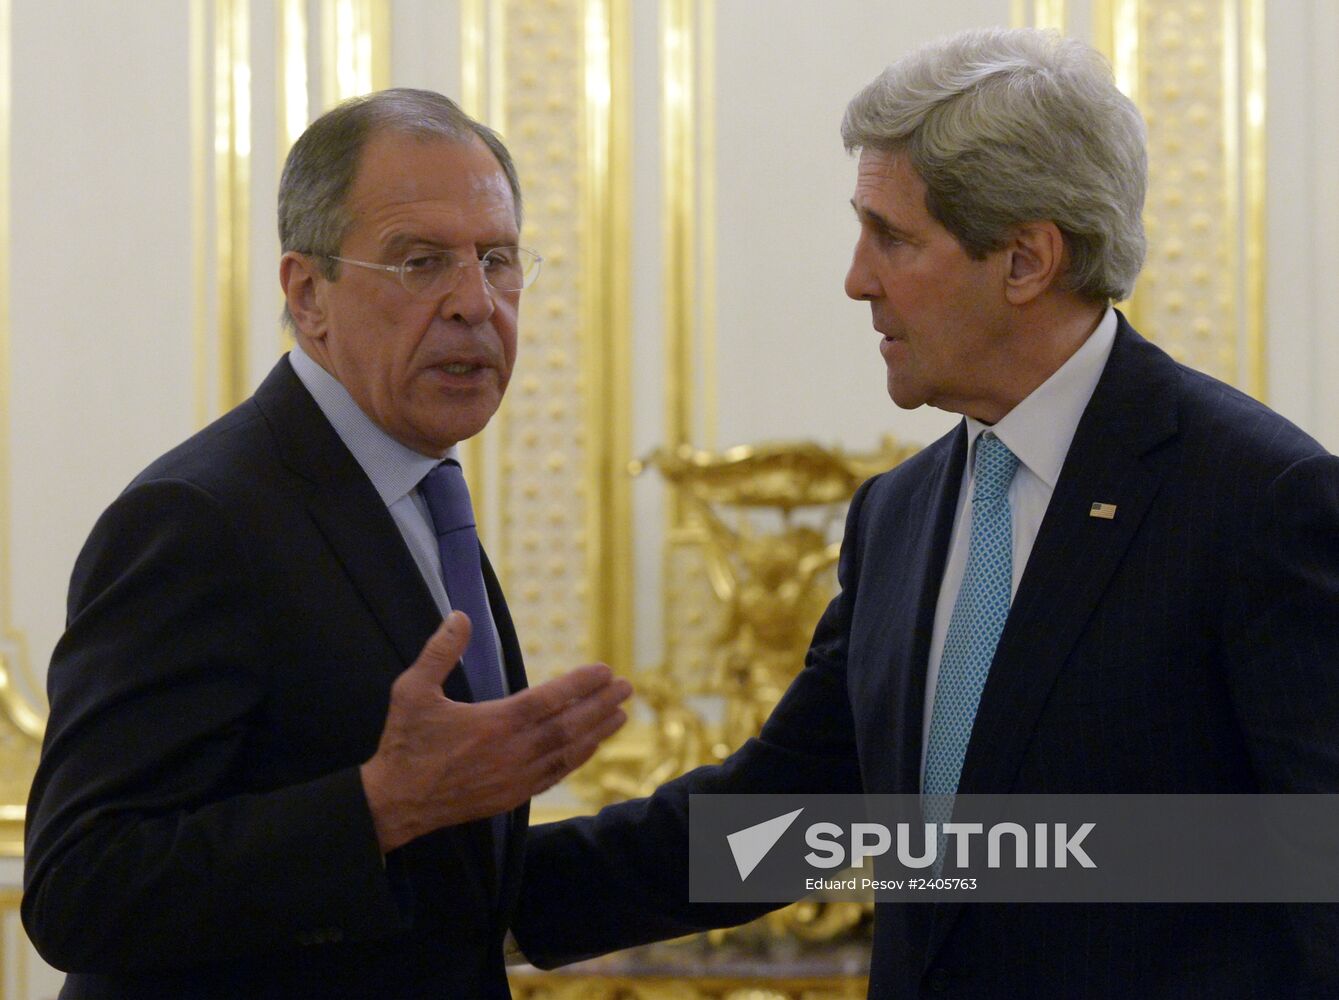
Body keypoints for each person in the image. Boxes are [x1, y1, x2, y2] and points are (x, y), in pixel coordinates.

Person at [511, 28, 1339, 998]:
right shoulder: (897, 515)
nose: (856, 278)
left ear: (1025, 260)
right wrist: (474, 903)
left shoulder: (1258, 500)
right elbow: (793, 817)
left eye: (892, 237)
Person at [22, 88, 632, 999]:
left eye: (497, 260)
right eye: (421, 262)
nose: (476, 303)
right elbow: (80, 888)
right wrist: (380, 804)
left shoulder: (415, 492)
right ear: (308, 295)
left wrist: (842, 852)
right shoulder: (198, 518)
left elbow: (460, 893)